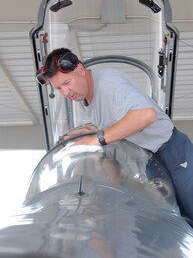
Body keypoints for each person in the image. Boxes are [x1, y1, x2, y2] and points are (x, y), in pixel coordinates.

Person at [36, 47, 193, 221]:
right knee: (174, 220)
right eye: (58, 88)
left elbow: (146, 115)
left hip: (172, 152)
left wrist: (96, 139)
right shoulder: (85, 99)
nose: (65, 92)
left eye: (67, 83)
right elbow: (116, 122)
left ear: (80, 70)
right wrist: (94, 131)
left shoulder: (110, 84)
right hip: (149, 161)